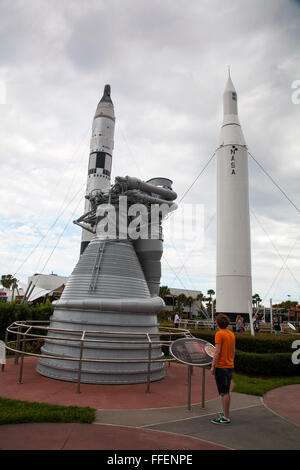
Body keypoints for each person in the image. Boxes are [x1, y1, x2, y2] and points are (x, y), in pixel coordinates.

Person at [211, 313, 235, 425]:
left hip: (221, 367)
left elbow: (217, 351)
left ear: (217, 323)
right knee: (226, 391)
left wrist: (212, 366)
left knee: (224, 392)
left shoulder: (219, 334)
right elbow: (233, 351)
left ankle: (226, 417)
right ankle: (225, 413)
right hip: (230, 366)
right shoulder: (231, 334)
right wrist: (231, 361)